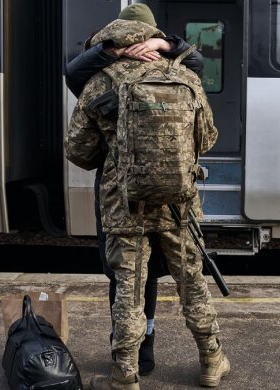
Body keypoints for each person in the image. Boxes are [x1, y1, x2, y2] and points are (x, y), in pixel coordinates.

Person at [66, 18, 230, 390]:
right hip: (179, 206)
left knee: (129, 289)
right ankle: (211, 360)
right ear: (152, 39)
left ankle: (125, 374)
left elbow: (78, 150)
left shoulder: (101, 82)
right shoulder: (185, 78)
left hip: (124, 205)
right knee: (191, 283)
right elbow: (206, 139)